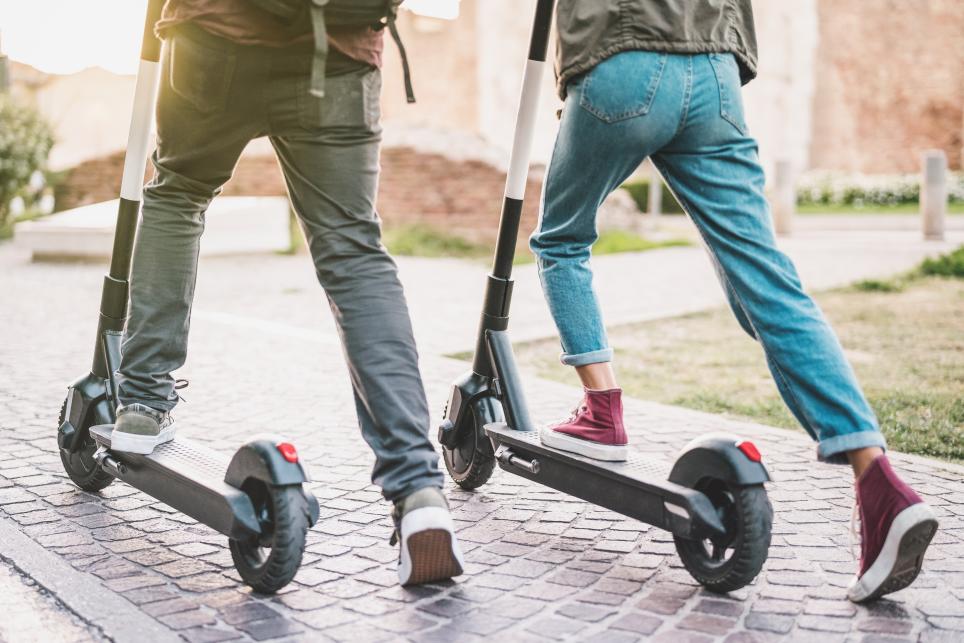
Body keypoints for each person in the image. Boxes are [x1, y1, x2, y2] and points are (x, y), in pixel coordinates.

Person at [530, 0, 937, 603]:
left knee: (561, 240)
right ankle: (877, 480)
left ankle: (601, 410)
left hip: (622, 58)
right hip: (714, 72)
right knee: (764, 275)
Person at [111, 0, 463, 587]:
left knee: (177, 194)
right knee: (353, 251)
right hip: (339, 51)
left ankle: (143, 404)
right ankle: (418, 488)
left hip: (214, 40)